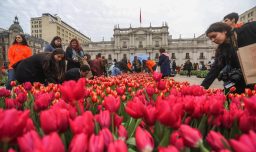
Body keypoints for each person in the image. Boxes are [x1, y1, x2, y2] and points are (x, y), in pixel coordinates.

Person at [201, 22, 256, 93]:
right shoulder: (221, 50)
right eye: (210, 38)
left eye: (214, 36)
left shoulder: (245, 30)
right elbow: (214, 69)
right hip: (239, 83)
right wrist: (202, 87)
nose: (213, 40)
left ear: (224, 31)